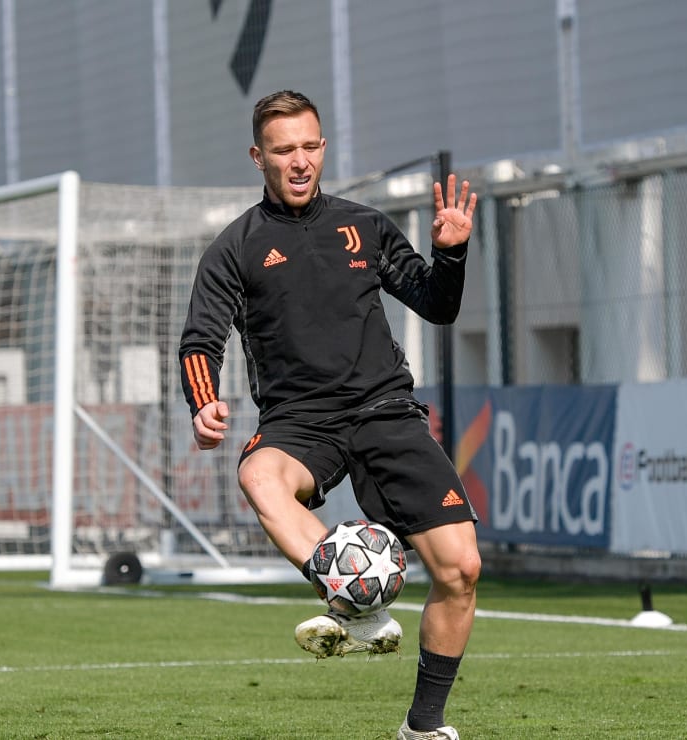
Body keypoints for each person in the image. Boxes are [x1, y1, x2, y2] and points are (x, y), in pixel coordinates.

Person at [178, 90, 480, 740]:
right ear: (258, 157)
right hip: (299, 420)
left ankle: (423, 728)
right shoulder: (235, 247)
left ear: (323, 148)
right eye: (283, 150)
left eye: (309, 146)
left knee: (462, 570)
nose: (298, 161)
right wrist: (203, 403)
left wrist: (451, 254)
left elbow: (437, 304)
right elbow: (199, 341)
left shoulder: (365, 226)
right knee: (259, 475)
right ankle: (358, 604)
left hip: (385, 410)